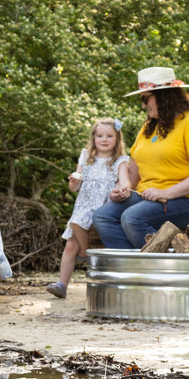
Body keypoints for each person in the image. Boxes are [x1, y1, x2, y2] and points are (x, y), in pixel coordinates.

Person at [92, 66, 189, 249]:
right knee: (103, 216)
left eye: (145, 98)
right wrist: (122, 190)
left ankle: (159, 268)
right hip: (150, 197)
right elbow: (133, 173)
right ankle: (133, 268)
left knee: (133, 217)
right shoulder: (148, 128)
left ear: (164, 96)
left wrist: (165, 192)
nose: (143, 105)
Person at [47, 118, 132, 298]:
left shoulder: (120, 161)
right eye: (100, 135)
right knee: (70, 245)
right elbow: (74, 188)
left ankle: (84, 254)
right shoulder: (86, 157)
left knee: (76, 225)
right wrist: (74, 181)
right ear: (93, 138)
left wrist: (122, 189)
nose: (104, 139)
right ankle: (62, 284)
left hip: (103, 207)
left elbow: (126, 182)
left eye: (109, 136)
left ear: (117, 139)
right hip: (83, 205)